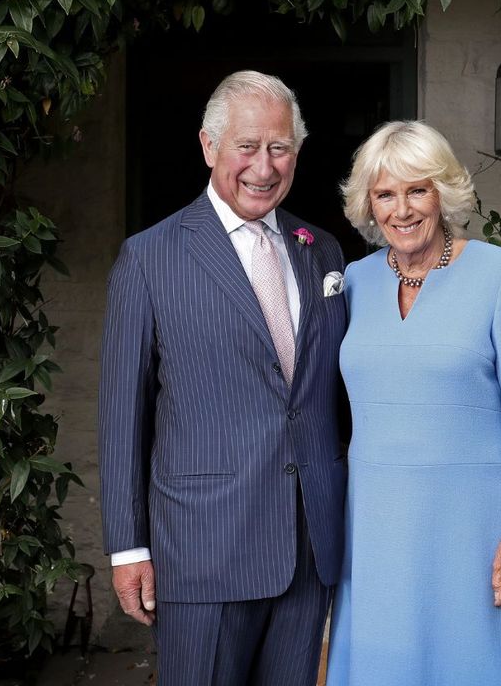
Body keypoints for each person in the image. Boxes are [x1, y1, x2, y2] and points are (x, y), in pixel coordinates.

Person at [98, 70, 349, 686]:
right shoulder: (150, 257)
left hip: (309, 545)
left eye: (280, 147)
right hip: (204, 548)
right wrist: (128, 547)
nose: (264, 166)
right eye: (247, 146)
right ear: (209, 147)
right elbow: (122, 415)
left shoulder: (321, 250)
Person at [325, 120, 501, 685]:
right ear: (368, 204)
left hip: (471, 528)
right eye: (385, 194)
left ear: (443, 193)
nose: (402, 210)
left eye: (417, 190)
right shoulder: (353, 282)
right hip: (374, 526)